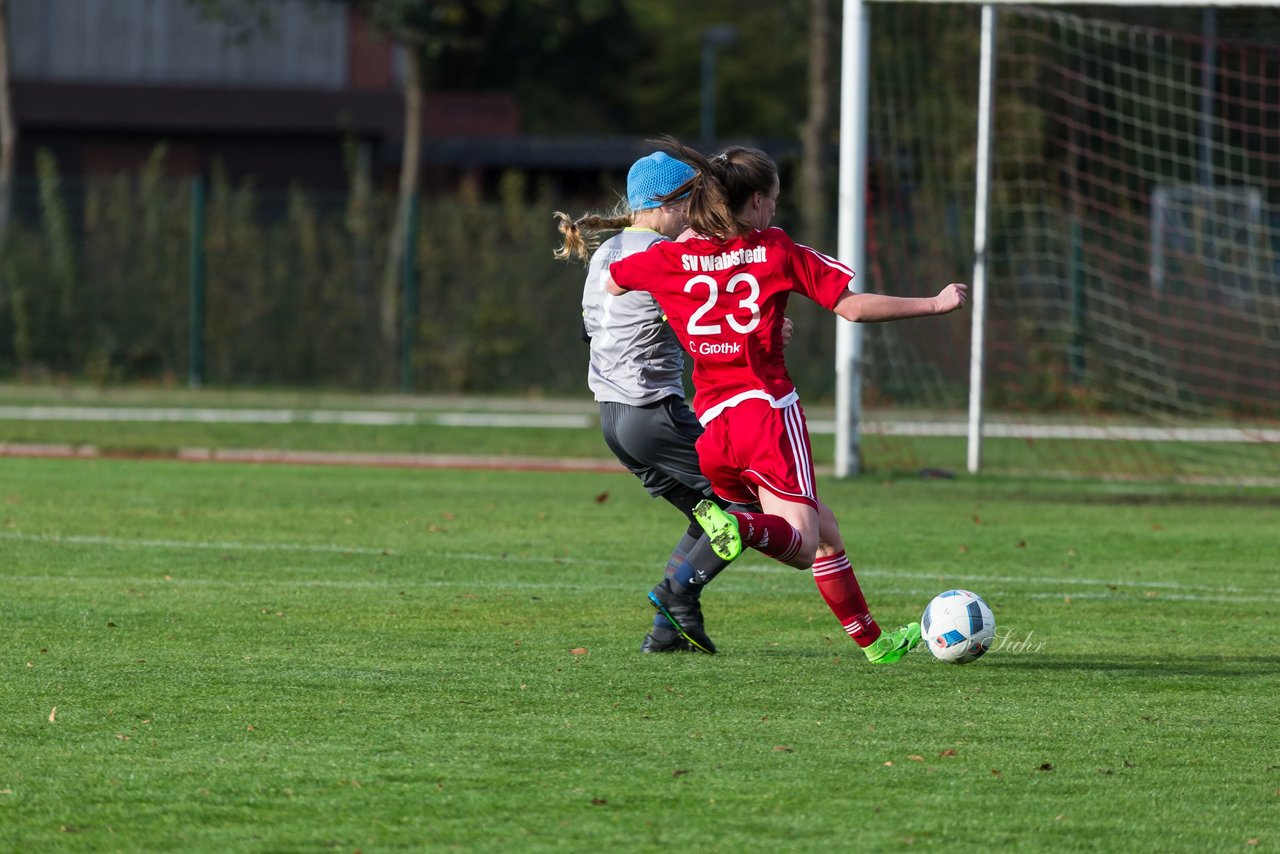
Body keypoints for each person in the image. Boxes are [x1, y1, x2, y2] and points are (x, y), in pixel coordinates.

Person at [605, 138, 968, 664]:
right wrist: (935, 304)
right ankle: (732, 528)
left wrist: (688, 281)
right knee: (798, 545)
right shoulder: (775, 248)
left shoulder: (670, 257)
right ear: (754, 201)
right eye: (773, 197)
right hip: (766, 413)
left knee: (825, 530)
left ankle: (876, 644)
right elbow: (852, 308)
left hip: (712, 425)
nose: (775, 208)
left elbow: (617, 281)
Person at [554, 151, 782, 655]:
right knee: (744, 503)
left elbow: (589, 330)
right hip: (652, 412)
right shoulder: (664, 255)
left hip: (614, 421)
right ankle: (675, 597)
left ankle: (666, 632)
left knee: (709, 518)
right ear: (669, 204)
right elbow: (708, 325)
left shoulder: (607, 252)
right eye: (695, 201)